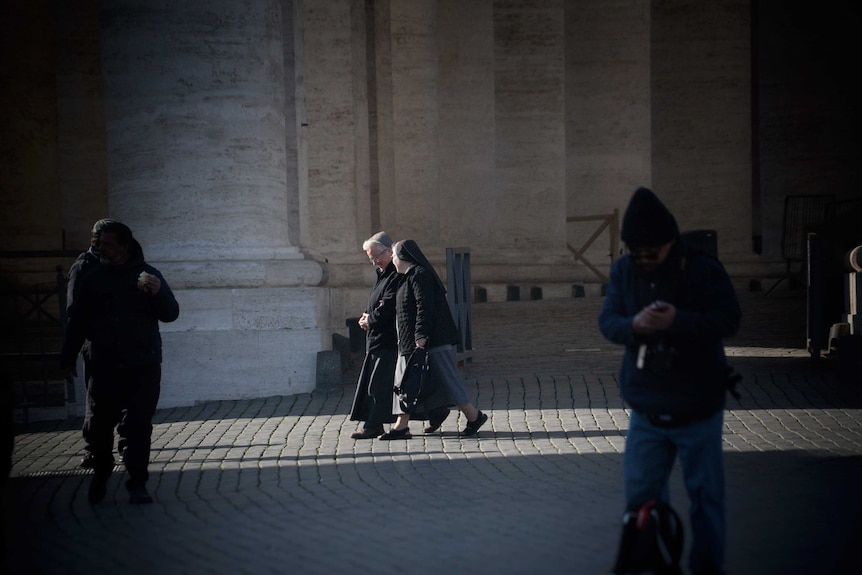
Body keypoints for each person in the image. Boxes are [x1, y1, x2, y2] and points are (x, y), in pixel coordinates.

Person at [598, 187, 741, 575]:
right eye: (636, 253)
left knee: (706, 500)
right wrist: (635, 325)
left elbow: (728, 319)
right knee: (640, 500)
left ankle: (707, 568)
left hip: (698, 408)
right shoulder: (624, 270)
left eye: (652, 253)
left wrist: (678, 321)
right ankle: (653, 564)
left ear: (670, 243)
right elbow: (608, 322)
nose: (644, 261)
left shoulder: (702, 268)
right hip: (646, 409)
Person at [61, 221, 180, 505]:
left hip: (143, 364)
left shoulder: (148, 275)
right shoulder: (92, 278)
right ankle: (101, 474)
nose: (99, 249)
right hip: (103, 364)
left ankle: (137, 482)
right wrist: (67, 357)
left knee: (138, 425)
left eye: (106, 244)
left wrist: (158, 291)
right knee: (99, 425)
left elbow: (171, 313)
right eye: (99, 243)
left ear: (124, 247)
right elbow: (77, 322)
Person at [379, 239, 488, 440]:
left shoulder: (421, 275)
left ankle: (474, 416)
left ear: (402, 257)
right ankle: (401, 425)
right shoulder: (406, 277)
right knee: (404, 382)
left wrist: (421, 336)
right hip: (409, 342)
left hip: (430, 340)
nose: (392, 259)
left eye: (393, 255)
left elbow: (424, 307)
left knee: (448, 379)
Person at [66, 219, 127, 468]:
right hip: (98, 345)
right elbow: (75, 313)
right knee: (98, 401)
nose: (105, 248)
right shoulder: (84, 267)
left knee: (128, 400)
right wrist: (69, 353)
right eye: (102, 242)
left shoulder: (123, 265)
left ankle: (127, 445)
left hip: (126, 344)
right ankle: (96, 449)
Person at [347, 232, 400, 439]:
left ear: (389, 251)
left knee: (379, 384)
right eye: (371, 258)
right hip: (377, 338)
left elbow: (388, 304)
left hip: (387, 339)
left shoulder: (395, 273)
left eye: (376, 256)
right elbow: (378, 302)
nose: (374, 262)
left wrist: (371, 319)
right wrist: (367, 316)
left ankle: (373, 424)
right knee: (379, 382)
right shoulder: (383, 272)